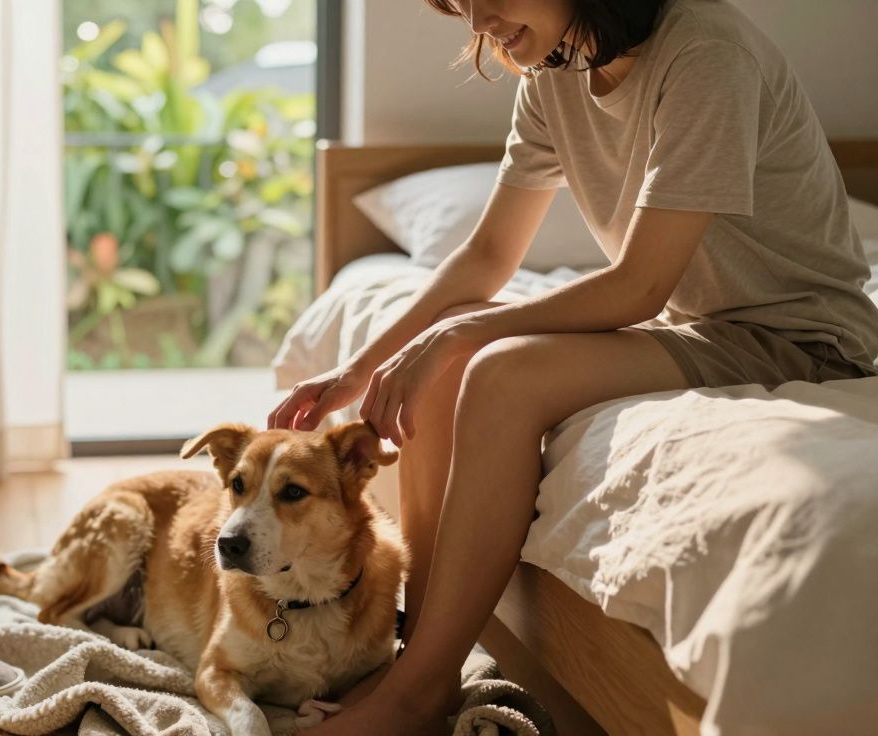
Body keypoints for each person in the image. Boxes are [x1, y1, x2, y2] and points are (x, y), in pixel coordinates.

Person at [267, 0, 878, 732]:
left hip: (799, 339)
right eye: (462, 7)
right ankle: (420, 666)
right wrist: (359, 369)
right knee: (452, 371)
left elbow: (639, 283)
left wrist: (459, 336)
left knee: (498, 371)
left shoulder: (706, 54)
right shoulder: (556, 71)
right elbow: (488, 257)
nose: (481, 23)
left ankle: (416, 692)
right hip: (699, 327)